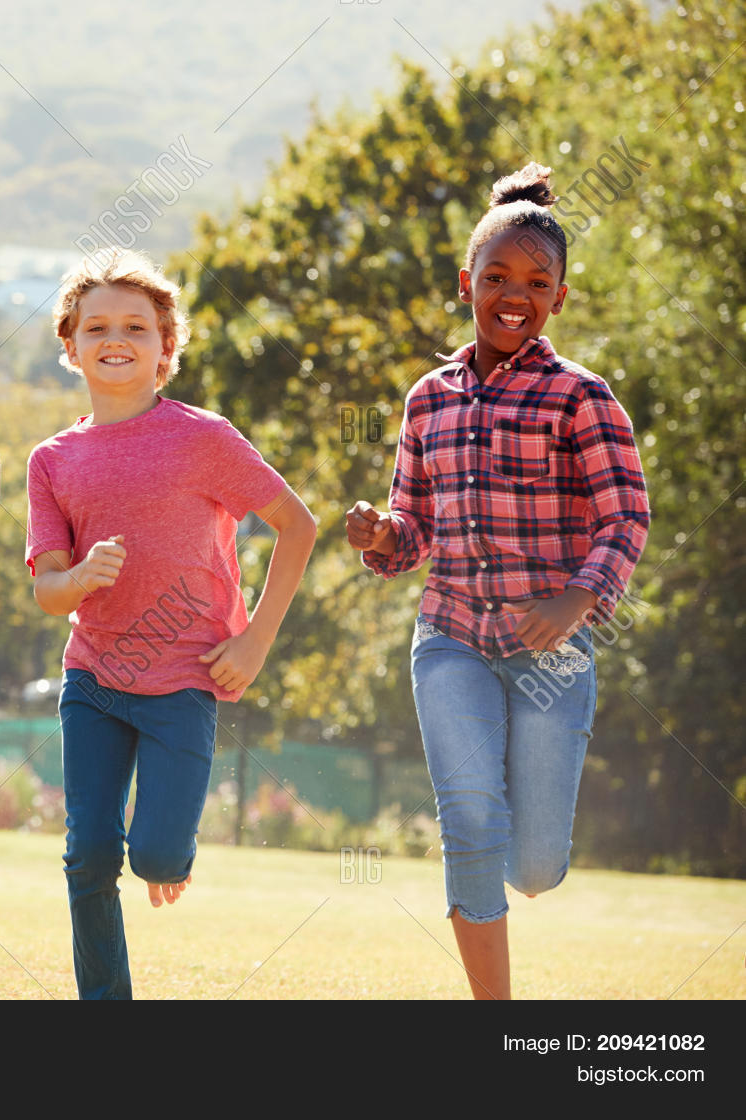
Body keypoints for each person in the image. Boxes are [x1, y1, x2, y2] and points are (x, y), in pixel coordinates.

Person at [346, 163, 650, 999]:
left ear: (560, 297)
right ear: (466, 285)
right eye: (497, 278)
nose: (514, 295)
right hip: (450, 639)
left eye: (536, 282)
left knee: (540, 866)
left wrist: (579, 597)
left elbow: (627, 515)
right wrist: (381, 537)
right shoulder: (426, 401)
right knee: (470, 822)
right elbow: (416, 531)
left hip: (551, 653)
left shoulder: (580, 397)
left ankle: (526, 844)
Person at [26, 248, 316, 999]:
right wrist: (78, 579)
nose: (114, 338)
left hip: (186, 680)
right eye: (95, 326)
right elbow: (48, 592)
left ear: (165, 350)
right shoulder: (52, 460)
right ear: (71, 346)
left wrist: (254, 638)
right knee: (88, 855)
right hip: (91, 678)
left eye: (135, 326)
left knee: (154, 858)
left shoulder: (203, 438)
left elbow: (298, 525)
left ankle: (169, 856)